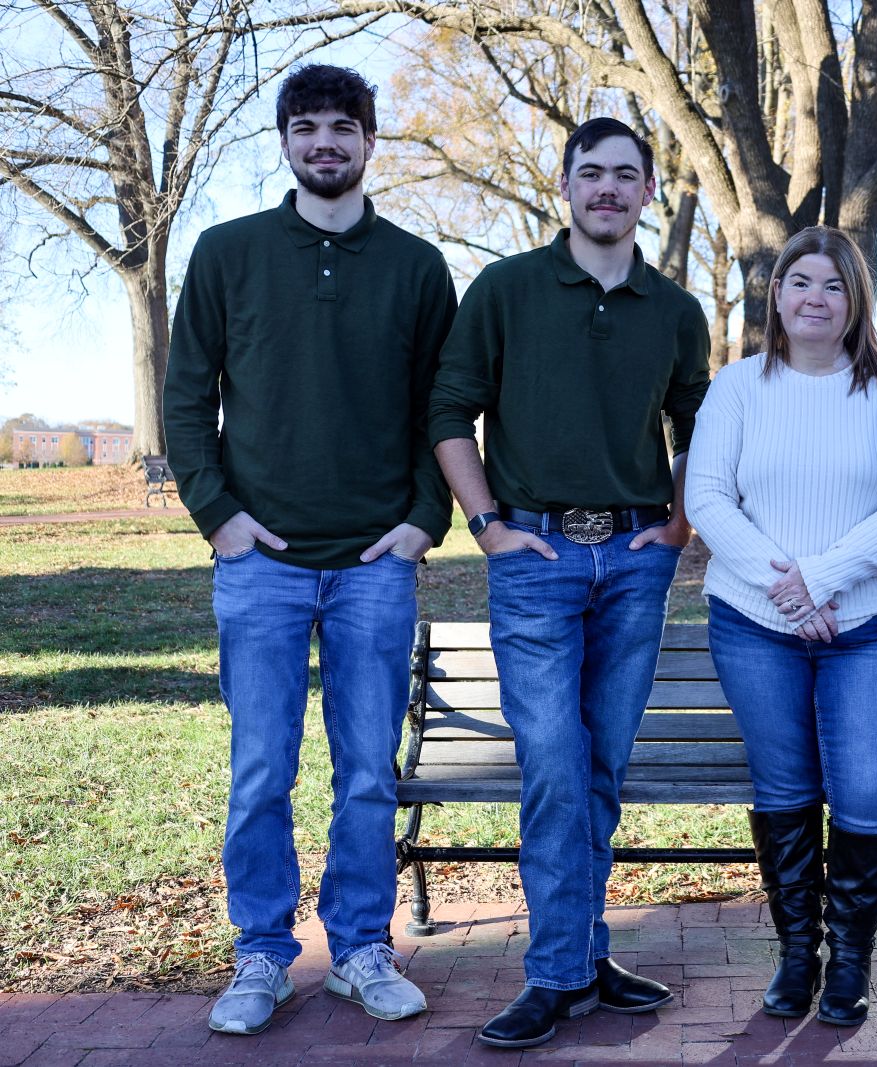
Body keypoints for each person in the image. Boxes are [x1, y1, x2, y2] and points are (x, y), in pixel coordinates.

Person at [163, 65, 456, 1036]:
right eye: (306, 127)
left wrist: (423, 519)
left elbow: (442, 407)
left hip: (376, 563)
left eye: (342, 125)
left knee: (367, 769)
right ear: (285, 142)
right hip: (261, 562)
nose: (324, 141)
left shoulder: (417, 266)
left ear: (370, 141)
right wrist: (220, 515)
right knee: (262, 768)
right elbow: (186, 397)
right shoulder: (227, 252)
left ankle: (361, 946)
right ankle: (261, 951)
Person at [427, 117, 711, 1050]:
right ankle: (557, 971)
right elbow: (448, 409)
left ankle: (582, 956)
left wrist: (678, 524)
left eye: (626, 174)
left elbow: (699, 425)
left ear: (648, 192)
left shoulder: (674, 309)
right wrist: (487, 526)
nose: (608, 188)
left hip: (634, 559)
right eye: (592, 172)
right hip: (536, 558)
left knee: (600, 768)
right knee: (554, 764)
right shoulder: (507, 288)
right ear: (565, 184)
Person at [685, 226, 877, 1027]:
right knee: (786, 789)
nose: (816, 298)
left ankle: (850, 959)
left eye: (834, 285)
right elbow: (707, 498)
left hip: (866, 627)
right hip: (753, 624)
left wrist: (822, 578)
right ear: (778, 294)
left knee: (862, 793)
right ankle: (798, 954)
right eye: (801, 281)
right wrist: (791, 594)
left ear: (856, 298)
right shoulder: (737, 387)